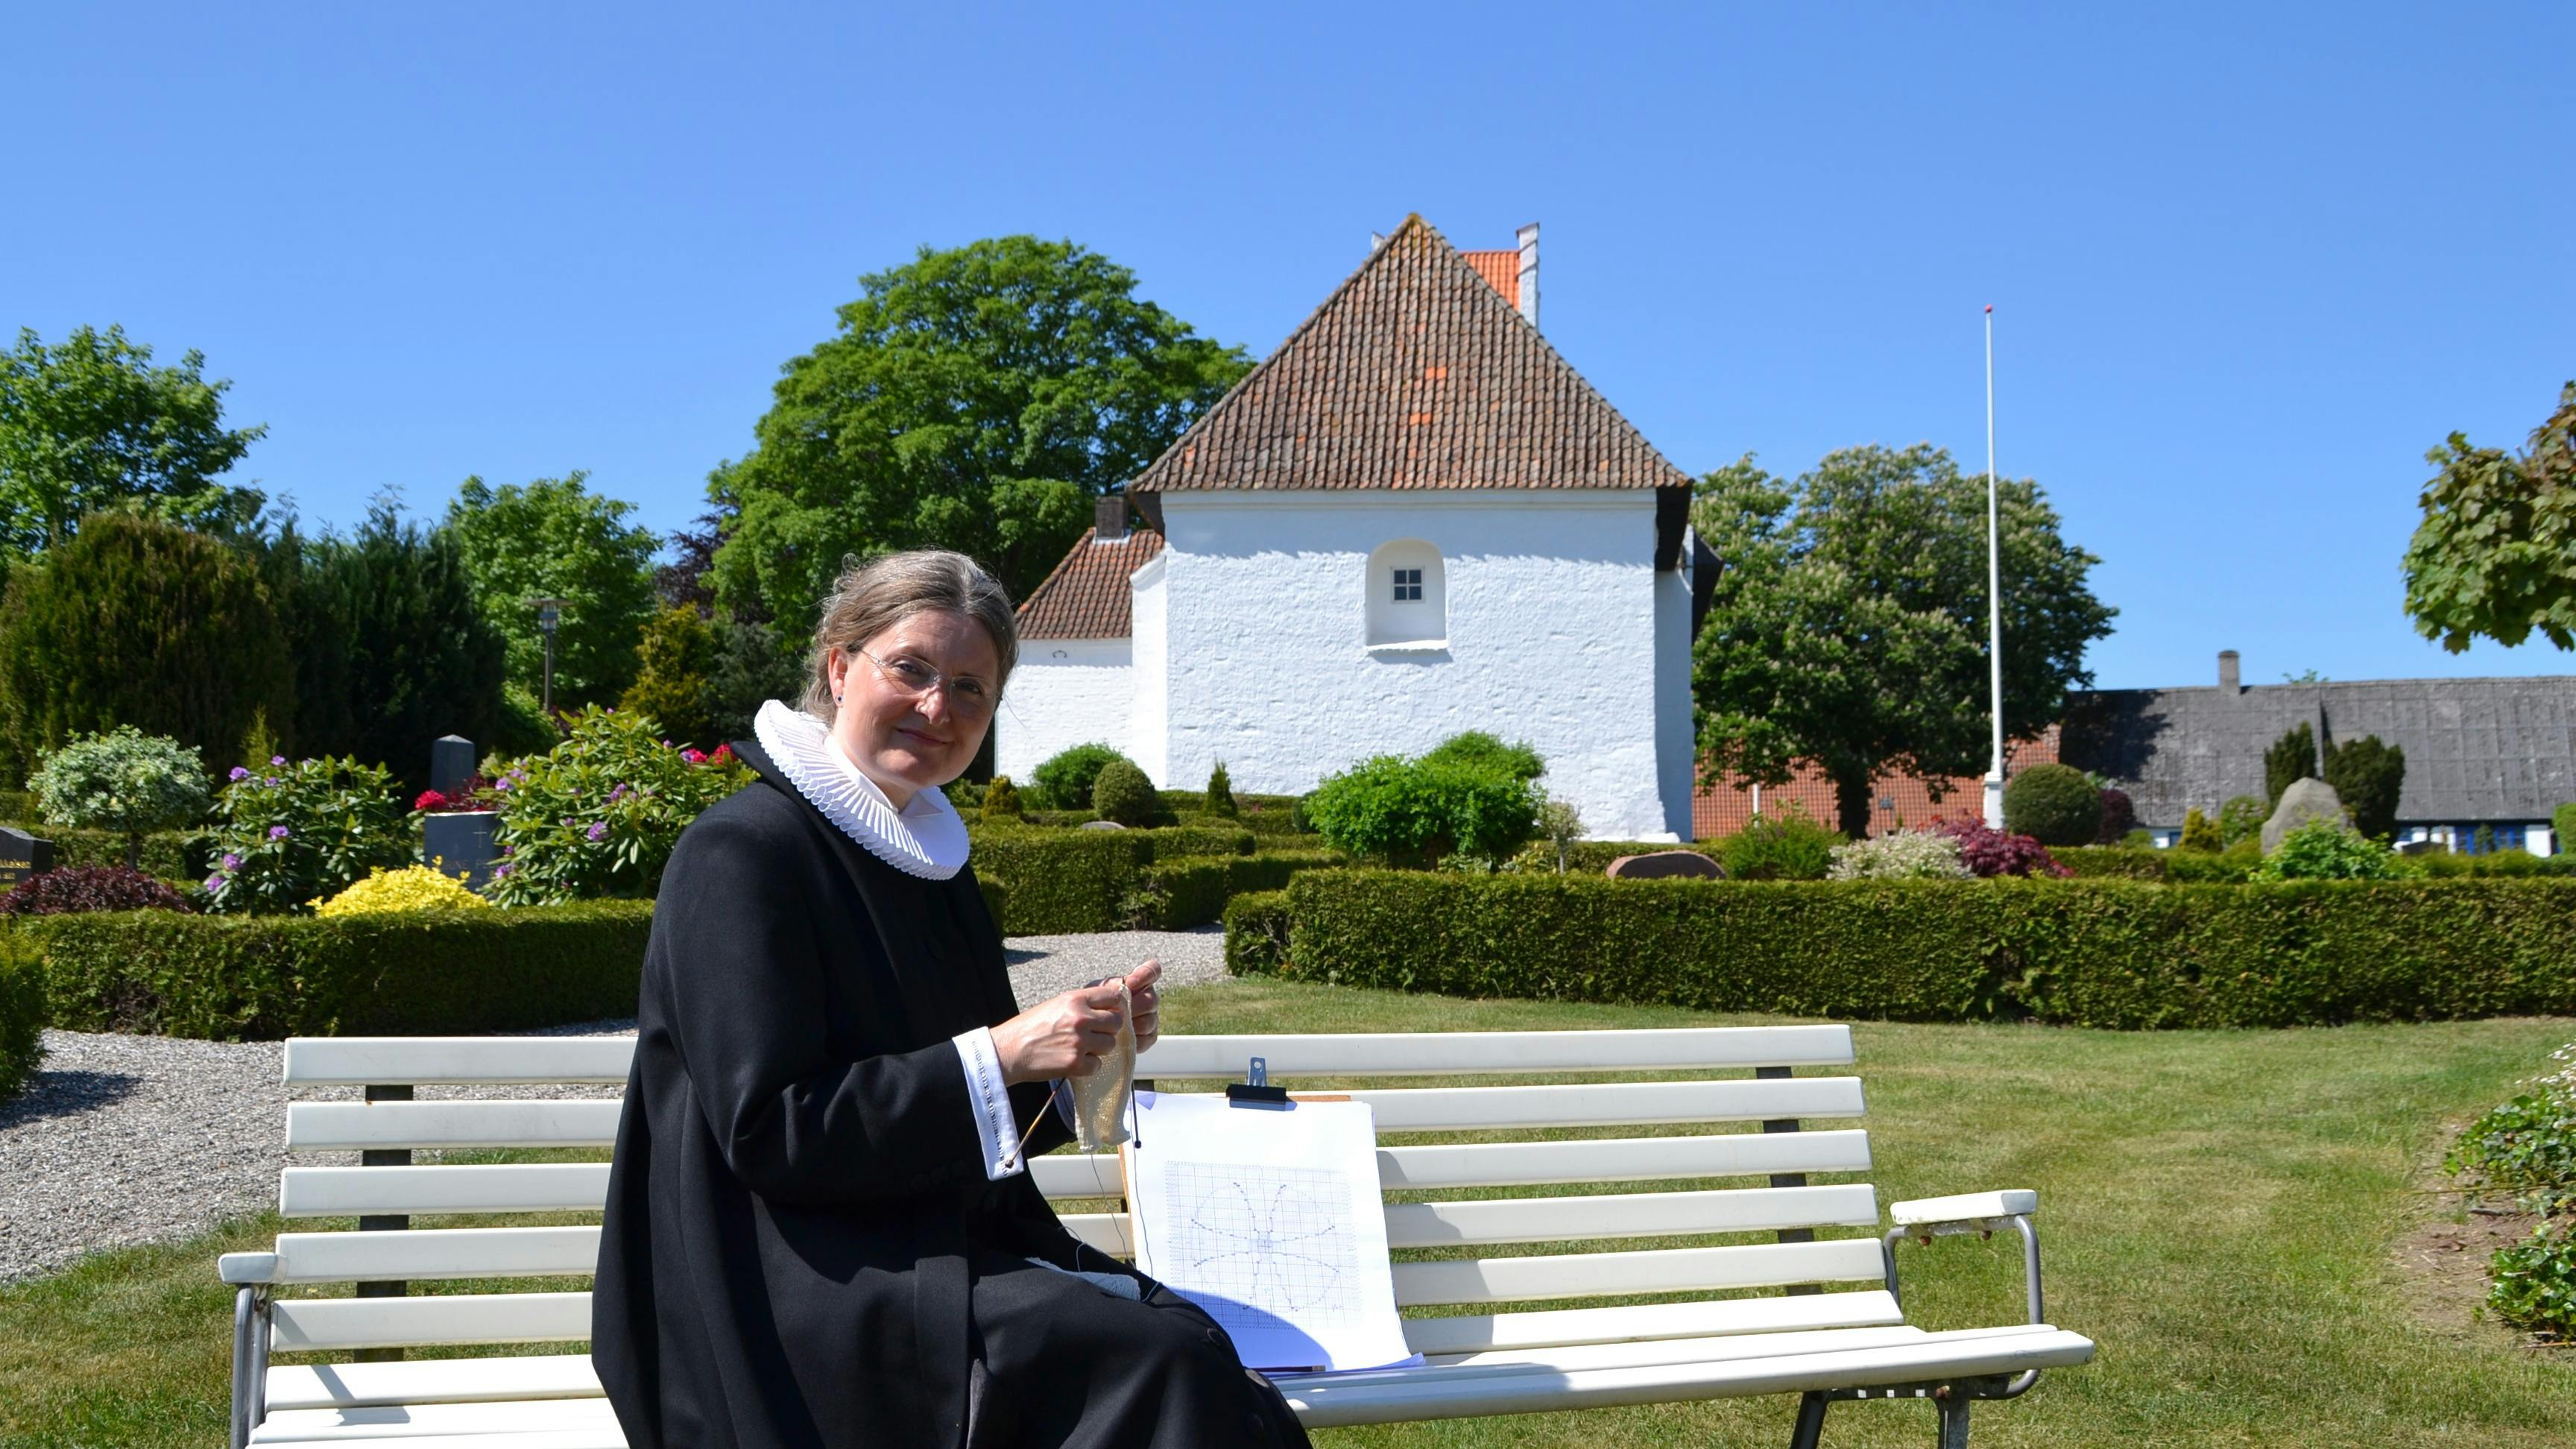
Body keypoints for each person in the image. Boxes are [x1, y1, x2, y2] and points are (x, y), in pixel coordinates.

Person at [594, 550, 1312, 1448]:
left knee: (1201, 1358)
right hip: (777, 1285)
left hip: (916, 1245)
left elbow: (956, 1124)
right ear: (839, 666)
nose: (940, 707)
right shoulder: (743, 854)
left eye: (972, 689)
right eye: (913, 669)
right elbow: (772, 1132)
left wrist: (1072, 1060)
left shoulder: (933, 865)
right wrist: (1005, 1053)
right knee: (1160, 1369)